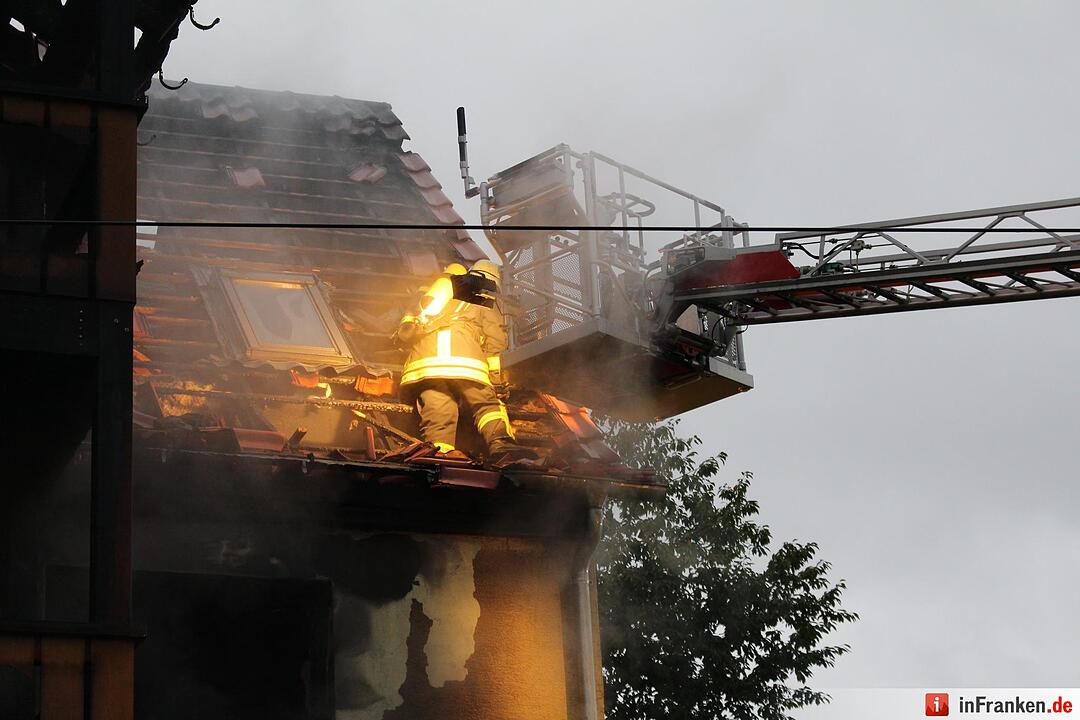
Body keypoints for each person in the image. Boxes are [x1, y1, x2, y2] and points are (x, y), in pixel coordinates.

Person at [395, 260, 526, 463]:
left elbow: (405, 334)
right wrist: (496, 380)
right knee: (486, 405)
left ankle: (440, 452)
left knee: (440, 409)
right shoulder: (484, 296)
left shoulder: (432, 294)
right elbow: (495, 341)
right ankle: (501, 445)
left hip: (425, 364)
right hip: (464, 361)